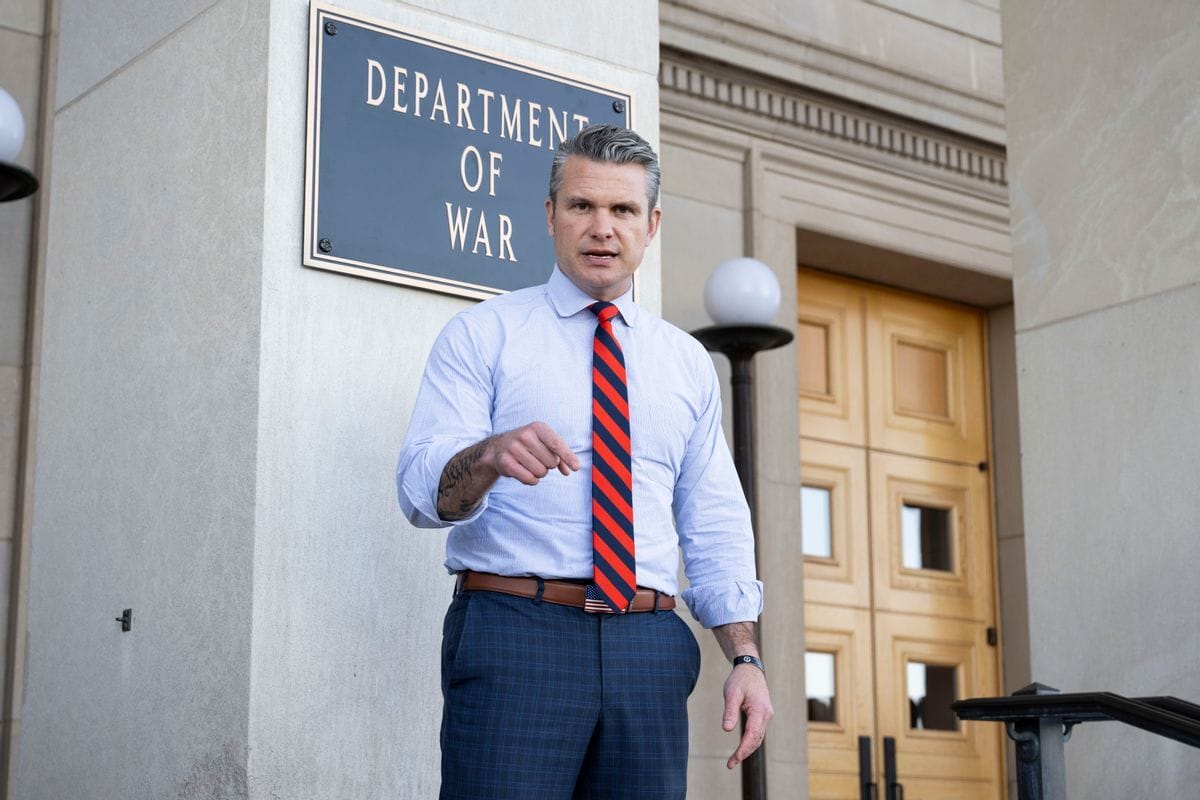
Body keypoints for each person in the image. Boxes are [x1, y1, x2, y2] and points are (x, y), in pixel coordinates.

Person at [396, 124, 772, 799]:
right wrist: (486, 456)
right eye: (582, 206)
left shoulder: (685, 362)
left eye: (623, 210)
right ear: (550, 215)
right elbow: (424, 495)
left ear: (651, 224)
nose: (602, 227)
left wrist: (744, 656)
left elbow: (712, 518)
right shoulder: (485, 335)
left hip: (648, 648)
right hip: (517, 634)